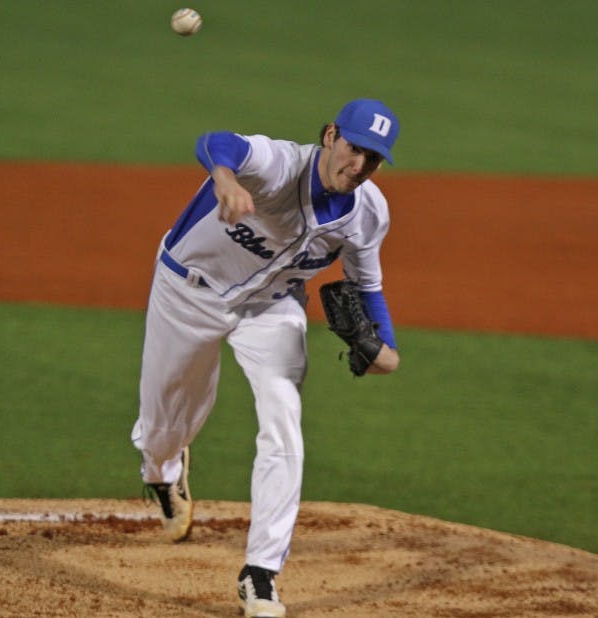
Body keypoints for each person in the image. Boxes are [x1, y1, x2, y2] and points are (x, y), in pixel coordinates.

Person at [131, 99, 401, 618]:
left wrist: (387, 349)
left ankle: (261, 574)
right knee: (163, 425)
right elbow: (218, 140)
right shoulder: (279, 166)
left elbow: (368, 286)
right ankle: (163, 470)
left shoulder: (369, 213)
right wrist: (227, 180)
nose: (360, 166)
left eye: (375, 159)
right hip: (188, 292)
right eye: (354, 149)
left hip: (272, 308)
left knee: (284, 422)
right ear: (329, 136)